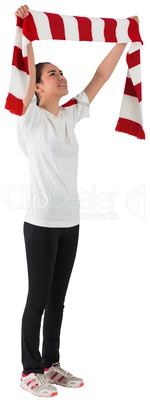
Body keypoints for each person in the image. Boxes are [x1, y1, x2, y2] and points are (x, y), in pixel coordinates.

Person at [15, 5, 139, 398]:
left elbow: (101, 75)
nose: (61, 76)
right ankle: (29, 369)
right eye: (53, 74)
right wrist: (25, 29)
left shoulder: (70, 114)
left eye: (61, 72)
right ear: (37, 87)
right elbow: (25, 64)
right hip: (40, 222)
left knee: (58, 300)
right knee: (37, 298)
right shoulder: (30, 118)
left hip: (70, 222)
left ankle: (51, 364)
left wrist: (125, 35)